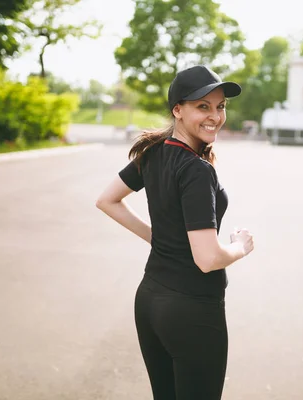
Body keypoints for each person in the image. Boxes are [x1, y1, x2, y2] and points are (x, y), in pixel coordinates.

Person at [95, 65, 255, 400]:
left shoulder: (153, 151)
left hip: (150, 302)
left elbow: (108, 200)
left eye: (220, 106)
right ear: (177, 110)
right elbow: (208, 258)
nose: (215, 116)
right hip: (192, 311)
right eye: (203, 106)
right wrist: (240, 247)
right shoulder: (197, 171)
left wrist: (159, 239)